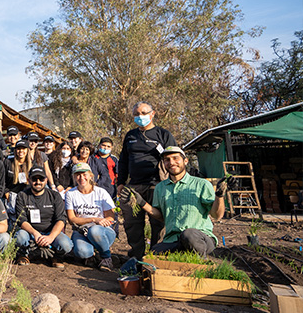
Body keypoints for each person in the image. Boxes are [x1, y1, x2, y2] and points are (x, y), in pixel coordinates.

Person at [133, 147, 226, 257]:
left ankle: (202, 265)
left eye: (175, 158)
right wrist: (141, 202)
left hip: (200, 238)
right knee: (153, 254)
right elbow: (161, 216)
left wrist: (219, 196)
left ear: (185, 161)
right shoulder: (160, 188)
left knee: (189, 235)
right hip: (173, 240)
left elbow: (217, 215)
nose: (171, 162)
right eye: (167, 160)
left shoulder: (201, 184)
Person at [117, 101, 177, 259]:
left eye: (143, 113)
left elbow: (174, 158)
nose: (140, 117)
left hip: (157, 186)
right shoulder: (130, 135)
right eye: (136, 114)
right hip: (134, 187)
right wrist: (121, 183)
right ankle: (136, 255)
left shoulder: (163, 135)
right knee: (132, 224)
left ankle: (155, 256)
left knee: (158, 222)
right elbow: (123, 160)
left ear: (152, 114)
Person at [13, 167, 73, 266]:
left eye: (41, 179)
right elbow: (21, 220)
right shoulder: (22, 195)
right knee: (19, 237)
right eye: (34, 179)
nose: (38, 182)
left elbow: (61, 220)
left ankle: (56, 256)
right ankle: (24, 254)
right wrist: (35, 233)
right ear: (29, 180)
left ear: (46, 180)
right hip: (30, 232)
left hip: (50, 231)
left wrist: (51, 237)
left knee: (66, 245)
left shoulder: (55, 196)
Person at [65, 163, 118, 270]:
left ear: (90, 175)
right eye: (78, 175)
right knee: (82, 252)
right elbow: (72, 219)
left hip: (101, 231)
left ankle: (106, 258)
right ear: (74, 177)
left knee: (94, 231)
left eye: (84, 174)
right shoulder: (70, 194)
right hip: (81, 231)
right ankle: (93, 255)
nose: (81, 178)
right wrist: (93, 219)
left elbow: (111, 217)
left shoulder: (101, 192)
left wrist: (100, 222)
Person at [3, 140, 31, 216]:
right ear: (15, 150)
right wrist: (6, 193)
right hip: (11, 195)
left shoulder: (32, 164)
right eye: (18, 149)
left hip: (27, 195)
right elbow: (2, 180)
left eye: (23, 149)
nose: (21, 151)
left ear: (27, 150)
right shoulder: (8, 162)